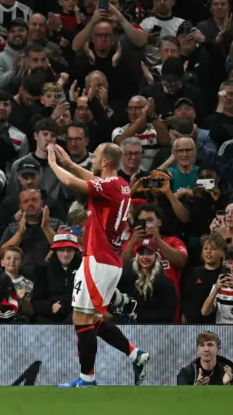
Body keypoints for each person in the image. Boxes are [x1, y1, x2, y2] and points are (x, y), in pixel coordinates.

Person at [48, 142, 150, 387]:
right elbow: (92, 180)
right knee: (92, 318)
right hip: (109, 260)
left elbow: (73, 183)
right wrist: (71, 164)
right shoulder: (122, 185)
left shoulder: (108, 185)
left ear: (105, 162)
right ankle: (136, 355)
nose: (92, 158)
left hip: (98, 259)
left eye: (95, 155)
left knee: (81, 319)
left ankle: (87, 379)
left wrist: (53, 164)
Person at [119, 238, 177, 323]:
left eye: (149, 253)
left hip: (155, 328)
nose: (145, 257)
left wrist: (139, 316)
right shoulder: (127, 276)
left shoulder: (165, 282)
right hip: (128, 325)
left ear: (156, 256)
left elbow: (168, 313)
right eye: (141, 253)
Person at [31, 230, 83, 324]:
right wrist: (50, 307)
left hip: (76, 317)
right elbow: (36, 300)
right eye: (61, 250)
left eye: (69, 250)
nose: (65, 254)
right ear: (55, 251)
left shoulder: (82, 269)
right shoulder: (43, 268)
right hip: (49, 318)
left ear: (75, 251)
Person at [201, 246, 233, 324]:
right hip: (223, 332)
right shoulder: (218, 286)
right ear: (226, 264)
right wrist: (216, 289)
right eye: (230, 262)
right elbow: (204, 312)